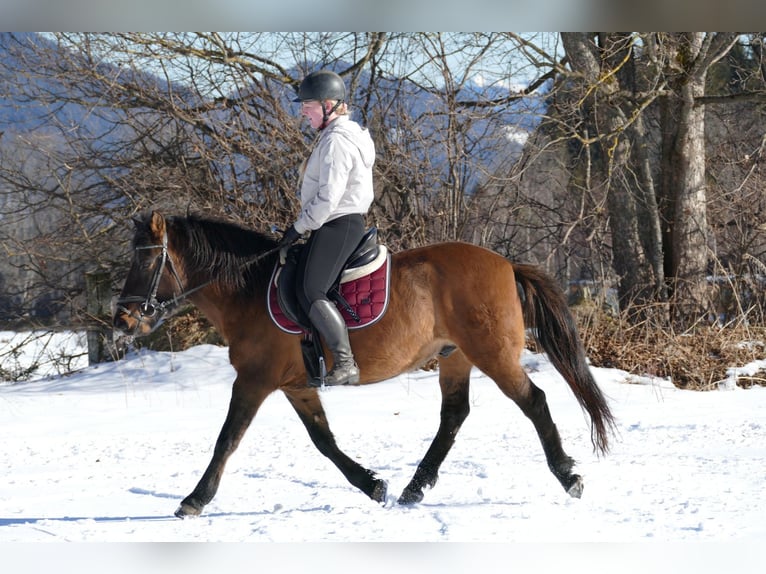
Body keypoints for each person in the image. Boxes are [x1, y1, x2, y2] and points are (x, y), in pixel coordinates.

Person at [278, 69, 376, 386]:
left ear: (329, 104)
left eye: (308, 104)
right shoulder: (338, 136)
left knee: (311, 289)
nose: (303, 111)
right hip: (335, 222)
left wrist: (299, 227)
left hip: (338, 222)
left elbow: (329, 197)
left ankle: (346, 363)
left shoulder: (336, 142)